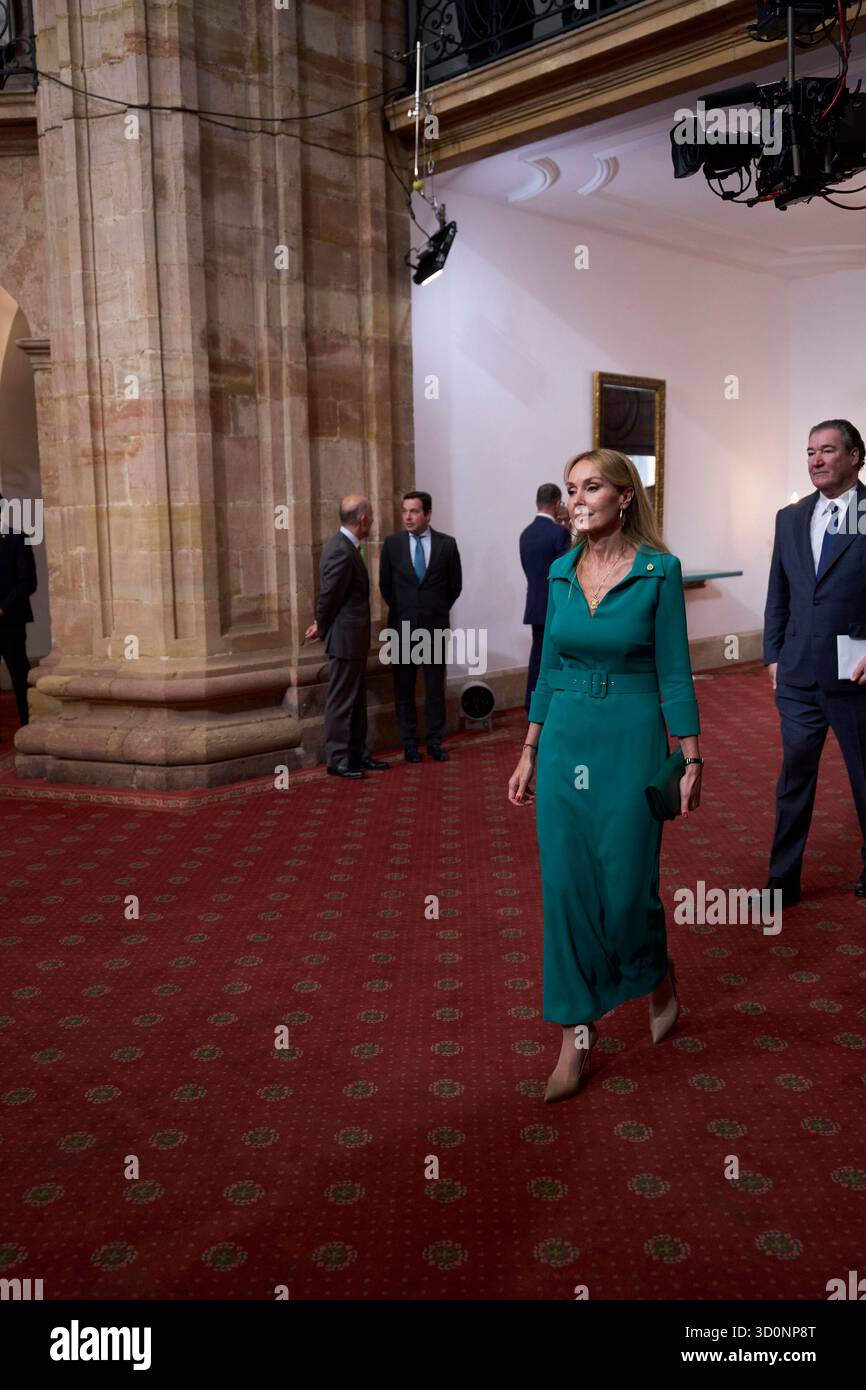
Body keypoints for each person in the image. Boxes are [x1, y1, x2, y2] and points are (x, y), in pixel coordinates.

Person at [508, 449, 703, 1104]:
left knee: (626, 891)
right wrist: (529, 749)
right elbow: (551, 670)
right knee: (566, 889)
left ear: (625, 496)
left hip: (630, 739)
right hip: (564, 740)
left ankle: (656, 973)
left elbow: (674, 671)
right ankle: (575, 1034)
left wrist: (692, 757)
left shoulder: (660, 572)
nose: (577, 499)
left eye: (592, 487)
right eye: (570, 489)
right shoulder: (561, 571)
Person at [763, 419, 866, 903]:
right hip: (798, 674)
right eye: (809, 452)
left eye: (827, 451)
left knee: (864, 779)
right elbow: (777, 593)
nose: (816, 461)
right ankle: (783, 877)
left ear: (854, 457)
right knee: (794, 778)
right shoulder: (790, 517)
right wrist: (772, 655)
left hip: (856, 674)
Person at [304, 495, 390, 780]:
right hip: (344, 639)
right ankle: (338, 759)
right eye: (372, 516)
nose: (374, 521)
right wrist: (322, 625)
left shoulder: (347, 546)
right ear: (363, 520)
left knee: (356, 700)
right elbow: (329, 595)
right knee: (342, 700)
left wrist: (322, 623)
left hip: (352, 639)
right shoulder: (340, 549)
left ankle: (358, 754)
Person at [379, 491, 462, 763]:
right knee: (404, 690)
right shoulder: (392, 545)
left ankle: (435, 741)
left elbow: (454, 587)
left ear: (427, 514)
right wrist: (408, 611)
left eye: (414, 511)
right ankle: (409, 744)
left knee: (434, 688)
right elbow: (386, 587)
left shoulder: (446, 545)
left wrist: (432, 610)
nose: (407, 517)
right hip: (402, 628)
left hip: (434, 628)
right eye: (405, 511)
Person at [519, 483, 571, 711]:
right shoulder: (559, 533)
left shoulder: (526, 533)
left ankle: (532, 701)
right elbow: (565, 569)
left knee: (537, 656)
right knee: (557, 657)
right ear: (558, 503)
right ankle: (554, 701)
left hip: (534, 604)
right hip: (556, 605)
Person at [0, 495, 38, 728]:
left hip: (10, 622)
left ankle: (27, 724)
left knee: (19, 676)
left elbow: (28, 582)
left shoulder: (17, 538)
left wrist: (3, 607)